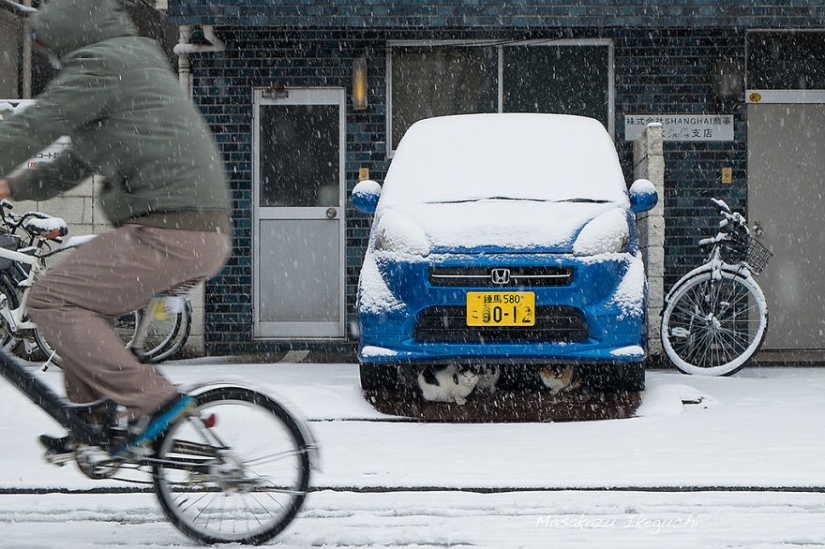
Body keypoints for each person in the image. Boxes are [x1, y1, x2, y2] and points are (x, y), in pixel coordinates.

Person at [0, 0, 232, 457]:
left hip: (172, 230)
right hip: (187, 229)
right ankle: (94, 419)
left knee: (50, 299)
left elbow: (33, 125)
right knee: (84, 310)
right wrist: (11, 186)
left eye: (48, 47)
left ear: (68, 35)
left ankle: (155, 400)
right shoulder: (127, 64)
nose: (50, 59)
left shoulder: (103, 64)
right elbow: (70, 166)